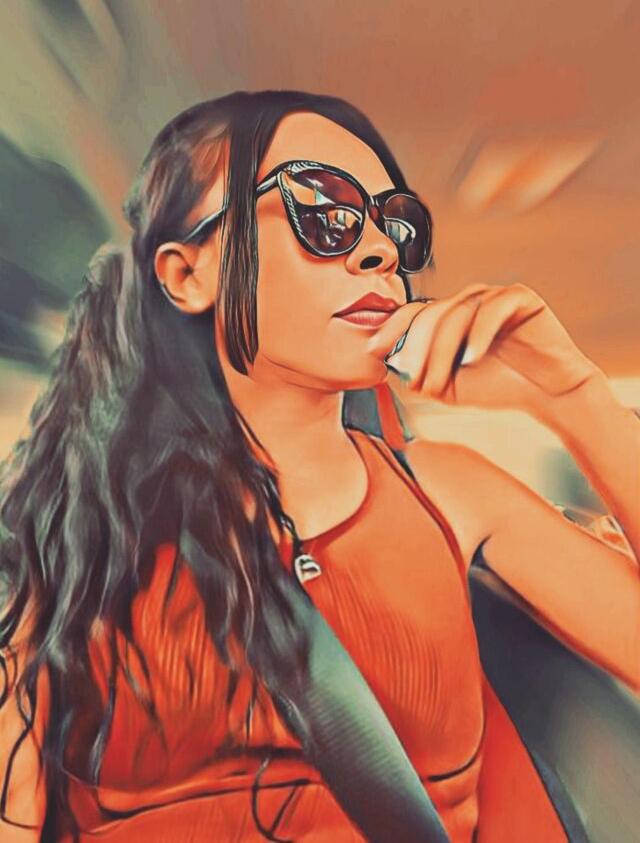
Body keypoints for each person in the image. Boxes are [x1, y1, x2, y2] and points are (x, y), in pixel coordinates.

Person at [0, 90, 638, 843]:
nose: (381, 251)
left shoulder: (449, 494)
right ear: (187, 274)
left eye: (395, 223)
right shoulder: (74, 540)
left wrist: (574, 398)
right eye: (324, 211)